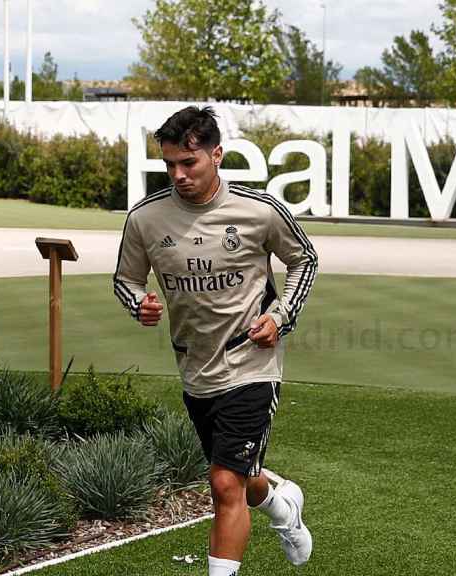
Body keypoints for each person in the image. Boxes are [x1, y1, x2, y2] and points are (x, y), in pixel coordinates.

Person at [113, 105, 318, 576]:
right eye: (169, 165)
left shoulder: (259, 211)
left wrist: (279, 315)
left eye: (189, 163)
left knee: (224, 483)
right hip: (195, 368)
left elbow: (304, 260)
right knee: (241, 481)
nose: (178, 175)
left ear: (217, 155)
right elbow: (125, 279)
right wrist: (138, 303)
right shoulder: (146, 219)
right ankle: (284, 506)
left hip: (252, 363)